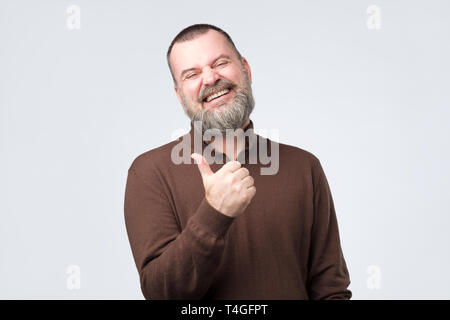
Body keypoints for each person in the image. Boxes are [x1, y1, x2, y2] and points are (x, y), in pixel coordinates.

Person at [124, 24, 352, 300]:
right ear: (179, 94)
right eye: (192, 74)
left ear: (246, 69)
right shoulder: (149, 172)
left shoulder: (305, 167)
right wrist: (214, 213)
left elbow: (331, 290)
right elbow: (161, 293)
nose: (209, 78)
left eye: (220, 63)